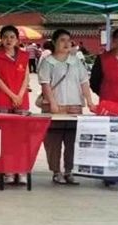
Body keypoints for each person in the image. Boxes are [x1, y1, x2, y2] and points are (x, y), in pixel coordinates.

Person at [39, 29, 96, 185]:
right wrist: (52, 103)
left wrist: (89, 101)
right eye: (62, 40)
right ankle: (56, 171)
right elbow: (45, 84)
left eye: (68, 40)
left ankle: (69, 171)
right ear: (54, 43)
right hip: (54, 108)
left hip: (74, 107)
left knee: (72, 141)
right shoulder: (48, 62)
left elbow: (84, 82)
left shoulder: (76, 61)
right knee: (53, 142)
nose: (66, 43)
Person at [0, 25, 30, 186]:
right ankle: (8, 171)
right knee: (5, 137)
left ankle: (21, 170)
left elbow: (26, 77)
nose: (9, 40)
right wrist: (12, 95)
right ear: (1, 39)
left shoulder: (24, 55)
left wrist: (19, 94)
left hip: (21, 100)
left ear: (17, 40)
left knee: (21, 137)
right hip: (2, 99)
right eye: (5, 37)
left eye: (12, 37)